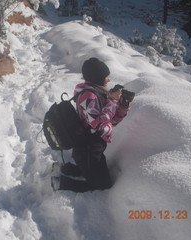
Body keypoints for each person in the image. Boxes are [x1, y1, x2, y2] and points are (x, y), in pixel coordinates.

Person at [52, 57, 132, 192]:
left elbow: (110, 122)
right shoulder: (88, 96)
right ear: (98, 78)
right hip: (87, 147)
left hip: (93, 147)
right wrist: (112, 102)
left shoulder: (99, 93)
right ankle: (60, 183)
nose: (109, 79)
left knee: (90, 169)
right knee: (103, 185)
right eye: (106, 77)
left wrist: (122, 107)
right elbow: (99, 125)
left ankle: (63, 168)